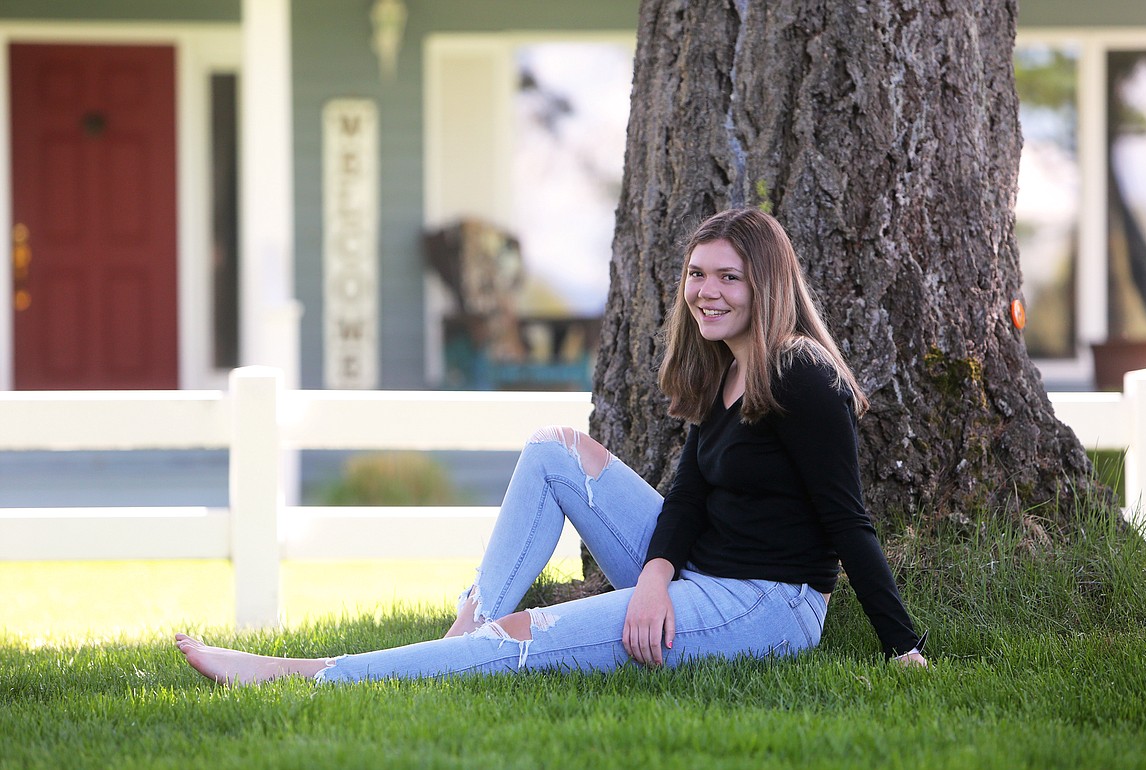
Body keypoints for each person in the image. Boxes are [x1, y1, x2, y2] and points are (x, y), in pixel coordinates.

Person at [175, 208, 927, 685]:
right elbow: (690, 498)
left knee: (526, 639)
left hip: (765, 604)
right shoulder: (729, 369)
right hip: (695, 574)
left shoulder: (801, 373)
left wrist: (903, 648)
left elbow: (846, 520)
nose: (707, 291)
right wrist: (658, 578)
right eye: (697, 275)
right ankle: (462, 635)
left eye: (729, 277)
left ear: (766, 284)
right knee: (554, 450)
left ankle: (303, 673)